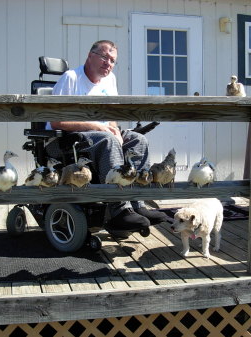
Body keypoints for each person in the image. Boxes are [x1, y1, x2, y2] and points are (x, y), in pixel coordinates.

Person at [47, 40, 171, 234]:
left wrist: (114, 129)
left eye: (112, 61)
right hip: (66, 139)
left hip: (100, 135)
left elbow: (112, 117)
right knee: (109, 139)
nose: (108, 64)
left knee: (138, 140)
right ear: (90, 56)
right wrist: (96, 126)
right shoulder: (70, 78)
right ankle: (119, 209)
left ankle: (137, 204)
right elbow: (56, 122)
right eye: (104, 57)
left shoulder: (110, 79)